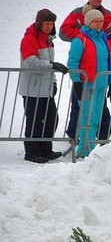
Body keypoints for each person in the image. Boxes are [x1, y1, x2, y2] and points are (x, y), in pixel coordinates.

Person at [59, 0, 111, 141]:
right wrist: (85, 41)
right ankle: (75, 137)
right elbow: (63, 32)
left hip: (100, 75)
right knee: (78, 106)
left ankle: (102, 137)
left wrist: (103, 47)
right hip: (84, 75)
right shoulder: (77, 13)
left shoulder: (108, 15)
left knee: (100, 109)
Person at [19, 9, 69, 163]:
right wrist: (53, 65)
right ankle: (32, 152)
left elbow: (48, 66)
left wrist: (53, 82)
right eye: (46, 23)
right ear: (39, 23)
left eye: (51, 23)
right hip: (32, 89)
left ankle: (46, 150)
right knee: (34, 121)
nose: (49, 26)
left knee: (51, 119)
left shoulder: (49, 40)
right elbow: (31, 63)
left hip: (46, 89)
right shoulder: (29, 39)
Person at [67, 9, 111, 158]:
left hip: (101, 85)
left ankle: (91, 146)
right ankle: (83, 148)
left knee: (95, 117)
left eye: (101, 21)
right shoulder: (80, 39)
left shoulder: (103, 39)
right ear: (89, 22)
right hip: (86, 85)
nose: (100, 24)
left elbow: (109, 62)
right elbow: (73, 61)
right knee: (86, 117)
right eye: (96, 21)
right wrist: (76, 81)